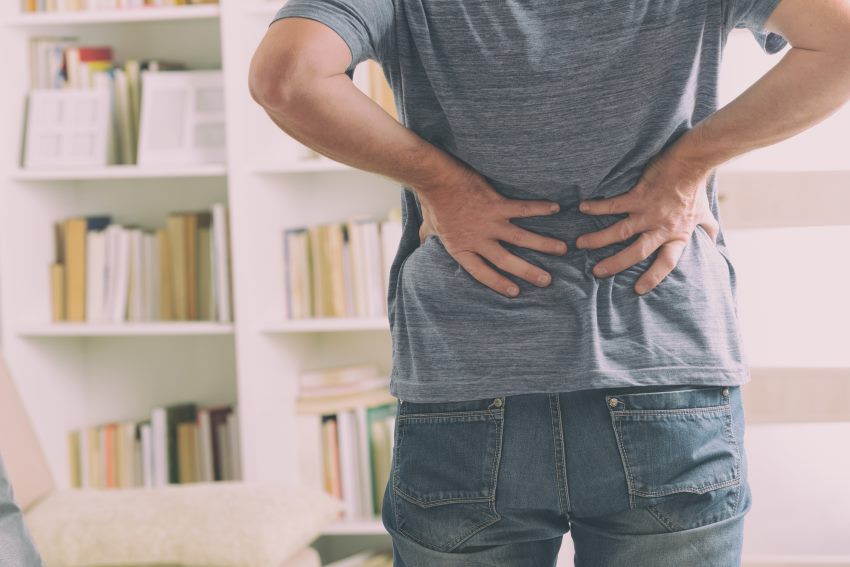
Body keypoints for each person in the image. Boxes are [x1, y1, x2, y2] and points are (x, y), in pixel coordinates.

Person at [249, 1, 850, 564]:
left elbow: (288, 76)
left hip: (465, 377)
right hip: (661, 361)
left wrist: (442, 185)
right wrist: (687, 167)